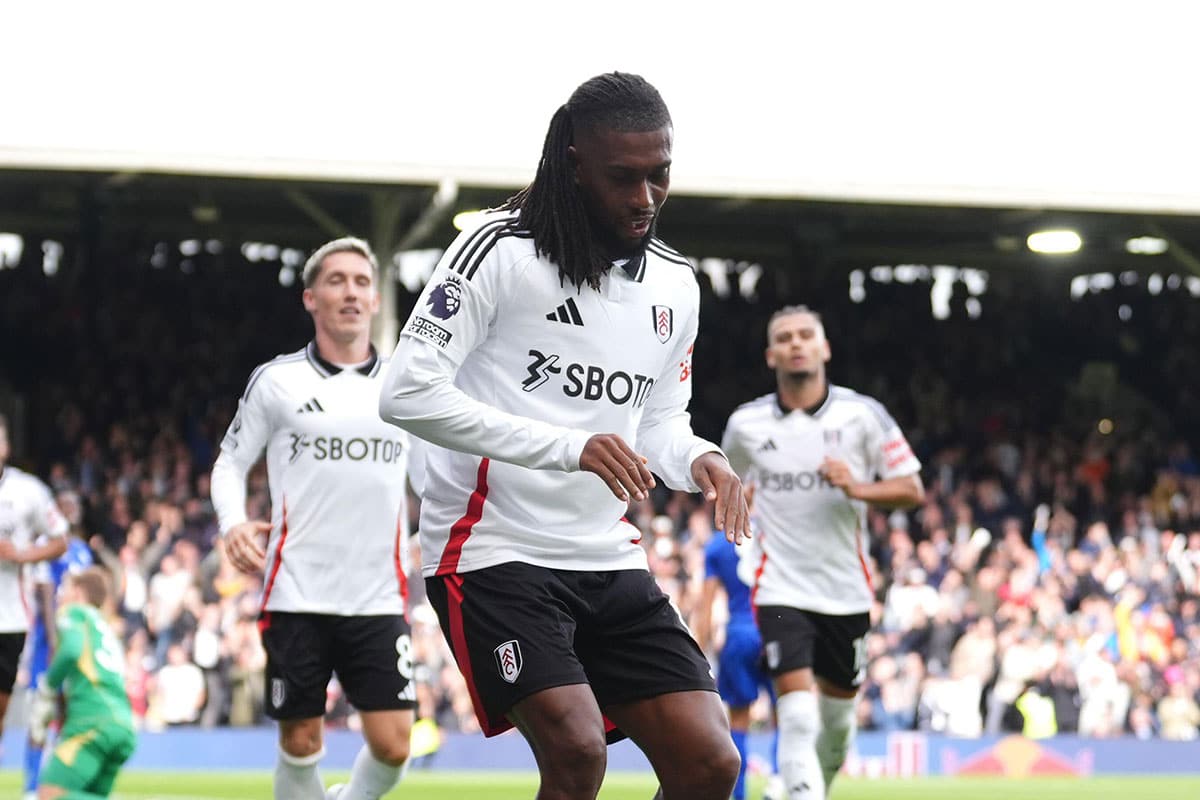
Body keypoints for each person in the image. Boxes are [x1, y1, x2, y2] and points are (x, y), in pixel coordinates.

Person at [379, 71, 750, 800]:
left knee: (712, 763)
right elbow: (406, 391)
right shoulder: (498, 249)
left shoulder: (676, 284)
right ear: (573, 163)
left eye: (660, 175)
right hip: (489, 551)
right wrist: (568, 445)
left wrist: (704, 458)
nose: (645, 198)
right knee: (578, 751)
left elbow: (658, 423)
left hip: (605, 556)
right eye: (623, 178)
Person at [211, 237, 415, 800]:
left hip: (378, 595)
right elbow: (230, 463)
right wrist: (232, 523)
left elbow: (434, 478)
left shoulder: (406, 386)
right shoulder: (277, 381)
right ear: (310, 298)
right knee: (301, 741)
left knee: (396, 744)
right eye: (336, 280)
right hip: (297, 592)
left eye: (360, 282)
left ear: (375, 301)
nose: (350, 291)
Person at [722, 306, 924, 800]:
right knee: (796, 713)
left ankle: (800, 790)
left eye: (806, 335)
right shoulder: (746, 425)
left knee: (836, 726)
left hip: (846, 591)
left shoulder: (862, 415)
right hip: (780, 587)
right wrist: (735, 501)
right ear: (771, 354)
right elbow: (728, 483)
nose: (796, 344)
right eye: (785, 337)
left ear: (824, 348)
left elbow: (912, 489)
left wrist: (857, 487)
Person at [28, 566, 136, 800]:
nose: (60, 596)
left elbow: (70, 650)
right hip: (122, 724)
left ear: (78, 592)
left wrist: (47, 688)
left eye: (64, 589)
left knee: (49, 795)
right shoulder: (104, 627)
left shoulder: (75, 613)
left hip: (93, 722)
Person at [693, 525, 779, 800]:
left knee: (739, 719)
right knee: (784, 716)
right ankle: (776, 785)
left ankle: (738, 794)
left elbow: (705, 606)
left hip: (739, 634)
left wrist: (700, 653)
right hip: (775, 629)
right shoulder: (774, 536)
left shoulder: (718, 545)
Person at [0, 414, 69, 750]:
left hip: (9, 616)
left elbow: (60, 539)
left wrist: (21, 555)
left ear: (6, 446)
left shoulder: (28, 491)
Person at [24, 490, 94, 799]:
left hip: (76, 645)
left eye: (76, 504)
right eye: (67, 505)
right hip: (47, 645)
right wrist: (53, 640)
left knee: (69, 716)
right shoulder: (46, 547)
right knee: (40, 714)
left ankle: (61, 783)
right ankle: (30, 787)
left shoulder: (82, 551)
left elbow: (89, 600)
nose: (73, 509)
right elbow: (44, 593)